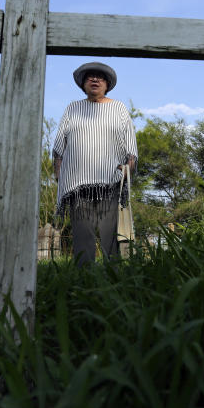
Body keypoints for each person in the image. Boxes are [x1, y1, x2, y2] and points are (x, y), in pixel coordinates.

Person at [52, 62, 137, 265]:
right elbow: (58, 149)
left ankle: (115, 282)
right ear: (83, 84)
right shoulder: (73, 108)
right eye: (90, 76)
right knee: (82, 242)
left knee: (111, 241)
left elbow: (131, 150)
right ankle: (83, 285)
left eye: (100, 77)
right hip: (78, 187)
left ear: (107, 84)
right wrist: (60, 176)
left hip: (111, 184)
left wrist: (127, 171)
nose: (95, 79)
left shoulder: (119, 108)